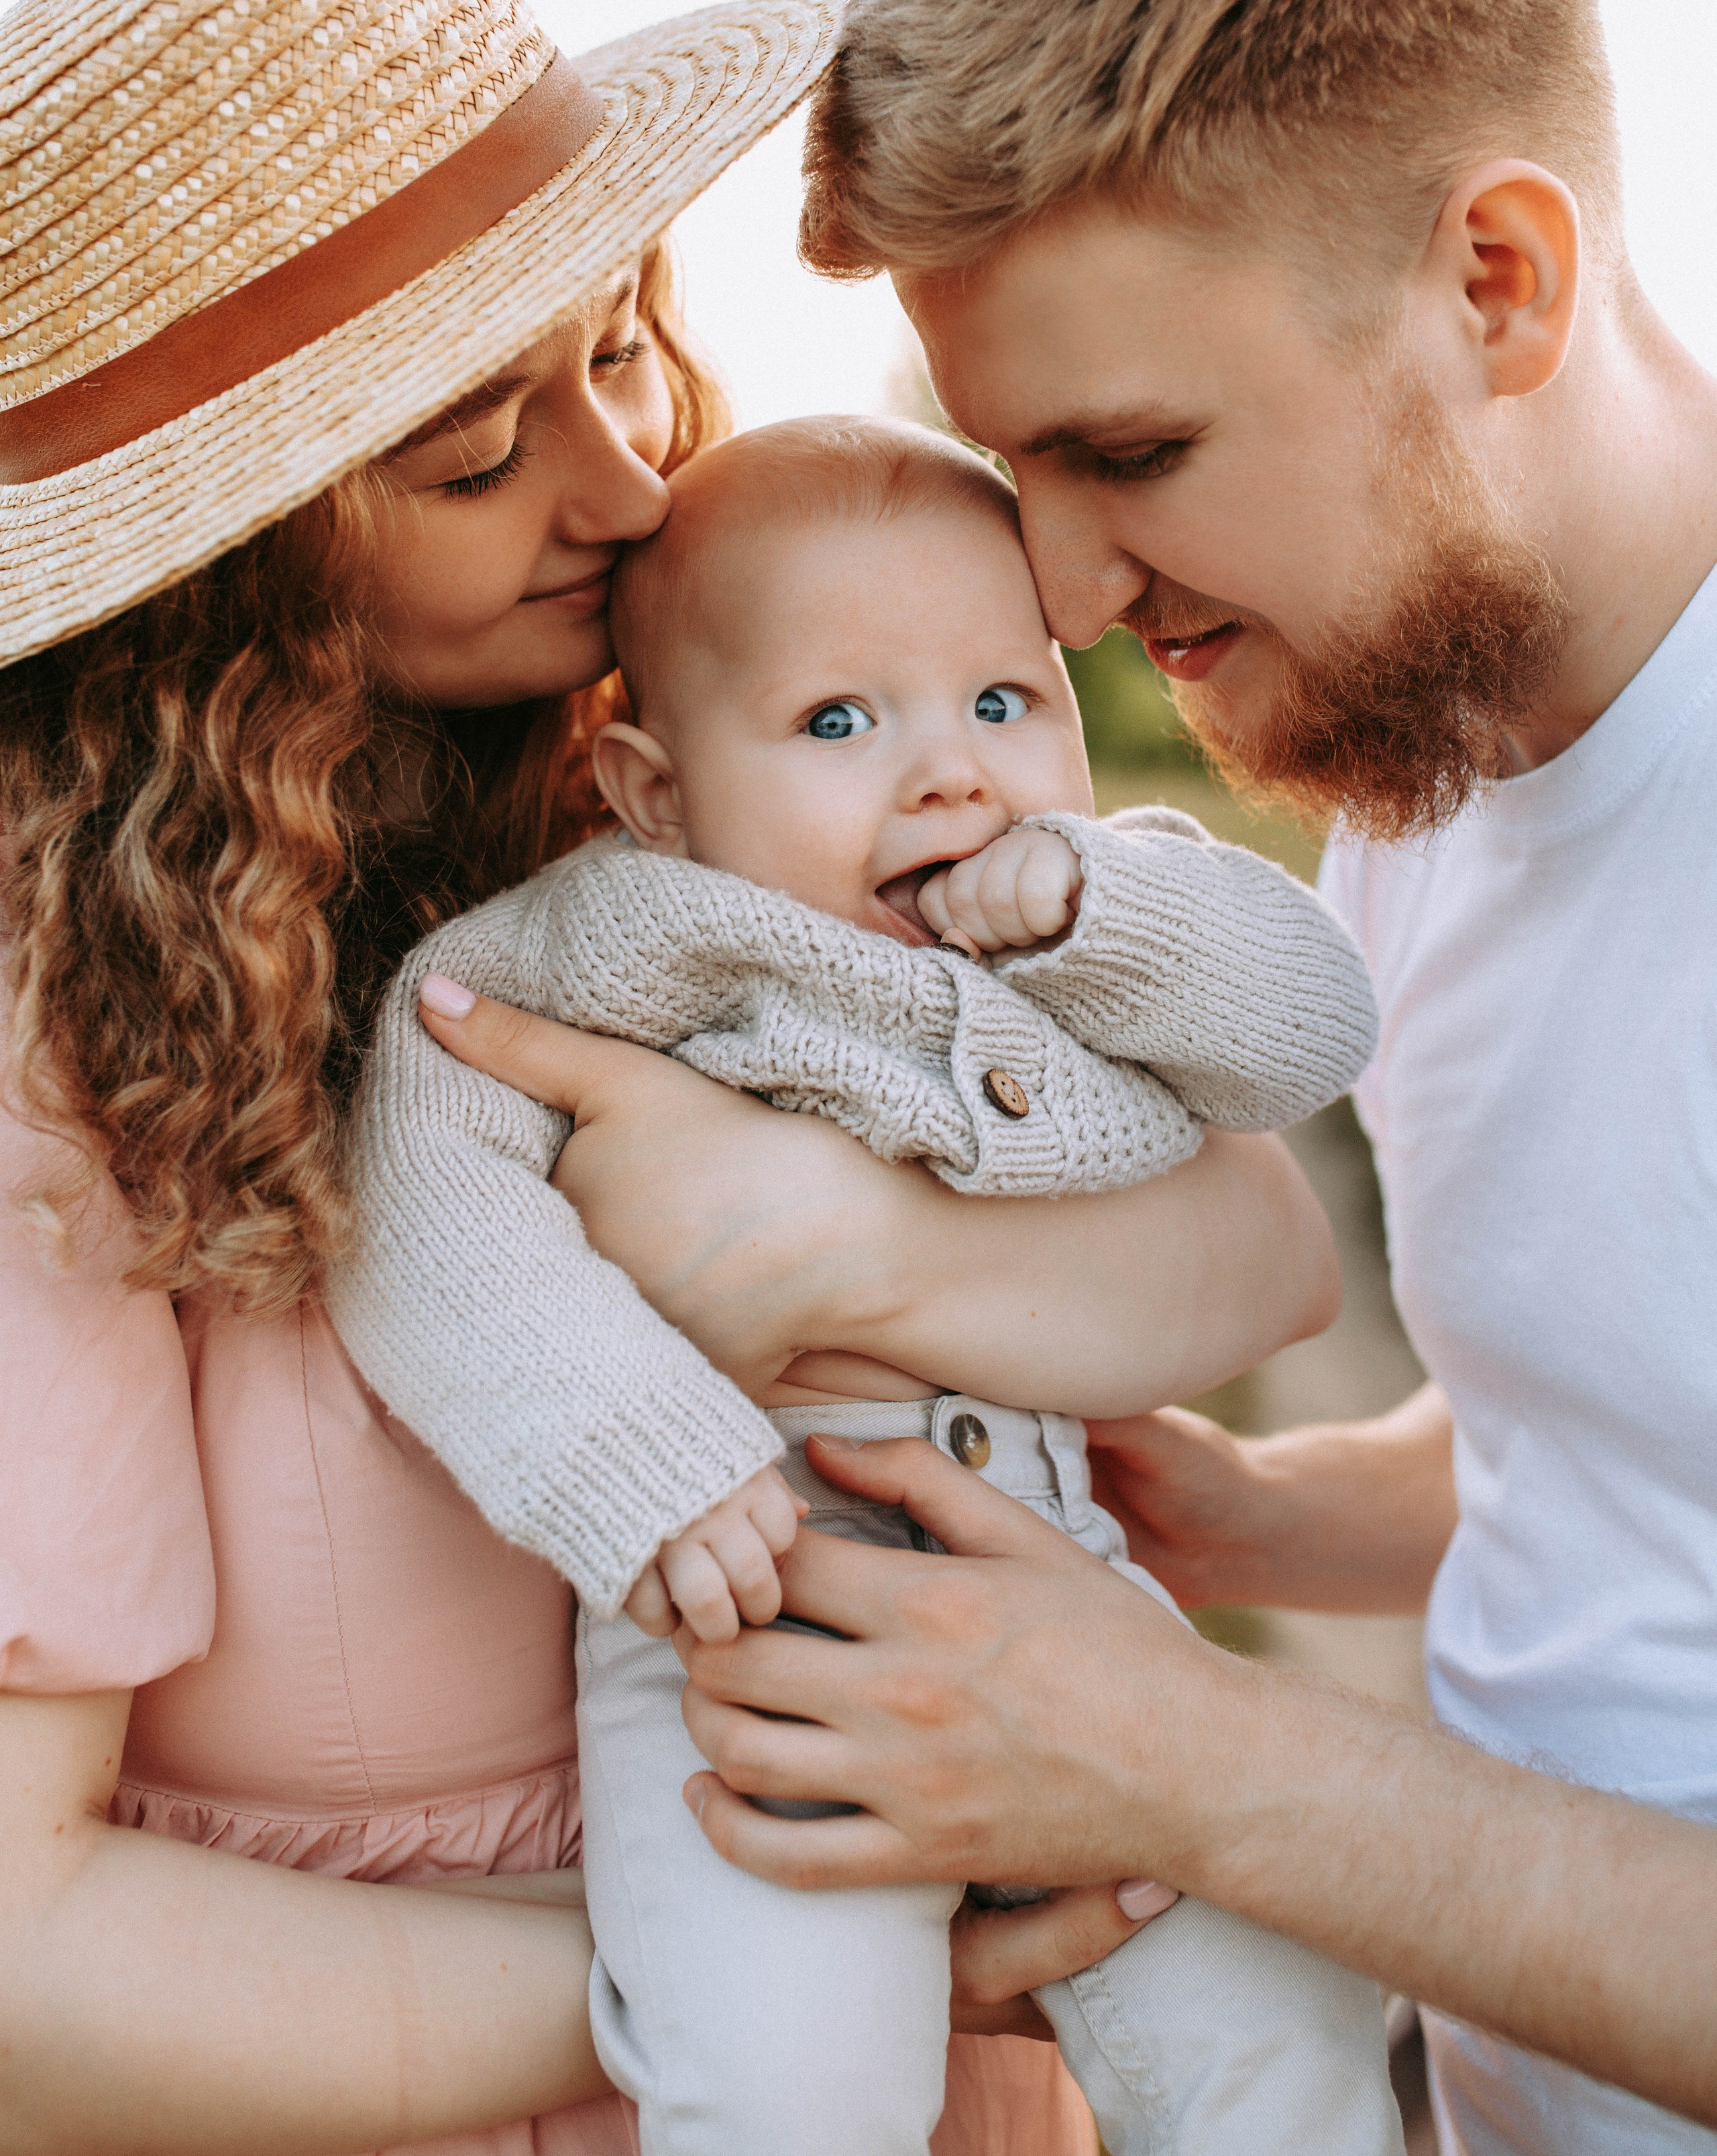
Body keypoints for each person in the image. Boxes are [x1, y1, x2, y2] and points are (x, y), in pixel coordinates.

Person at [411, 0, 1717, 2154]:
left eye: (1131, 458)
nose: (1077, 597)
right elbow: (1635, 1406)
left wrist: (1198, 1767)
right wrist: (1259, 1517)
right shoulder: (1420, 756)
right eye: (1022, 475)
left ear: (1501, 281)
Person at [0, 0, 1336, 2155]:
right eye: (480, 447)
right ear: (227, 574)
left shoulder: (706, 777)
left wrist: (865, 1254)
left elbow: (1260, 1240)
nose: (627, 483)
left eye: (615, 346)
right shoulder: (63, 1049)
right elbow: (23, 1962)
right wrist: (814, 1968)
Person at [329, 414, 1395, 2156]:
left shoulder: (1087, 912)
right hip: (753, 1626)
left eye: (1004, 700)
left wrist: (1091, 921)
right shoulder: (610, 940)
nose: (952, 775)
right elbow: (422, 1191)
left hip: (1075, 1601)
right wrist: (640, 1465)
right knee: (778, 2068)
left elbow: (1310, 1029)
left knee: (1277, 2008)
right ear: (657, 796)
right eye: (840, 722)